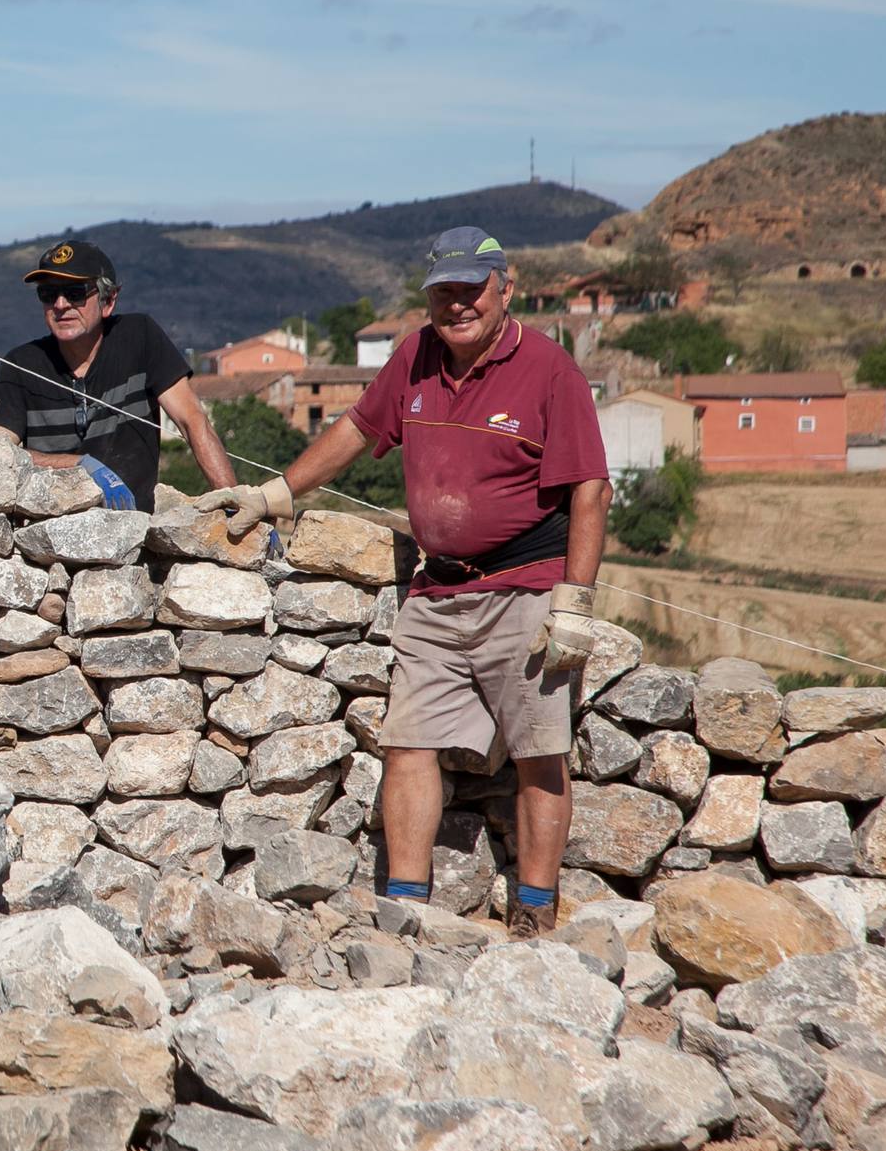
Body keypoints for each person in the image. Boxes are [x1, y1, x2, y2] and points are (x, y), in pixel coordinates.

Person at [196, 227, 611, 938]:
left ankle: (535, 916)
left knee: (539, 752)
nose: (456, 307)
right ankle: (405, 914)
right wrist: (275, 495)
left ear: (503, 288)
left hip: (524, 589)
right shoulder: (413, 357)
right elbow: (355, 433)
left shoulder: (548, 370)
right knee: (408, 744)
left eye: (469, 291)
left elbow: (590, 489)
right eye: (442, 293)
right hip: (436, 590)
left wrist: (573, 602)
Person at [0, 239, 240, 506]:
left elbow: (192, 420)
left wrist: (234, 502)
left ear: (108, 301)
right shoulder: (21, 364)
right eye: (48, 294)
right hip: (47, 533)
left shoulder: (139, 337)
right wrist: (77, 465)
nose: (60, 305)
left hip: (133, 529)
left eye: (75, 292)